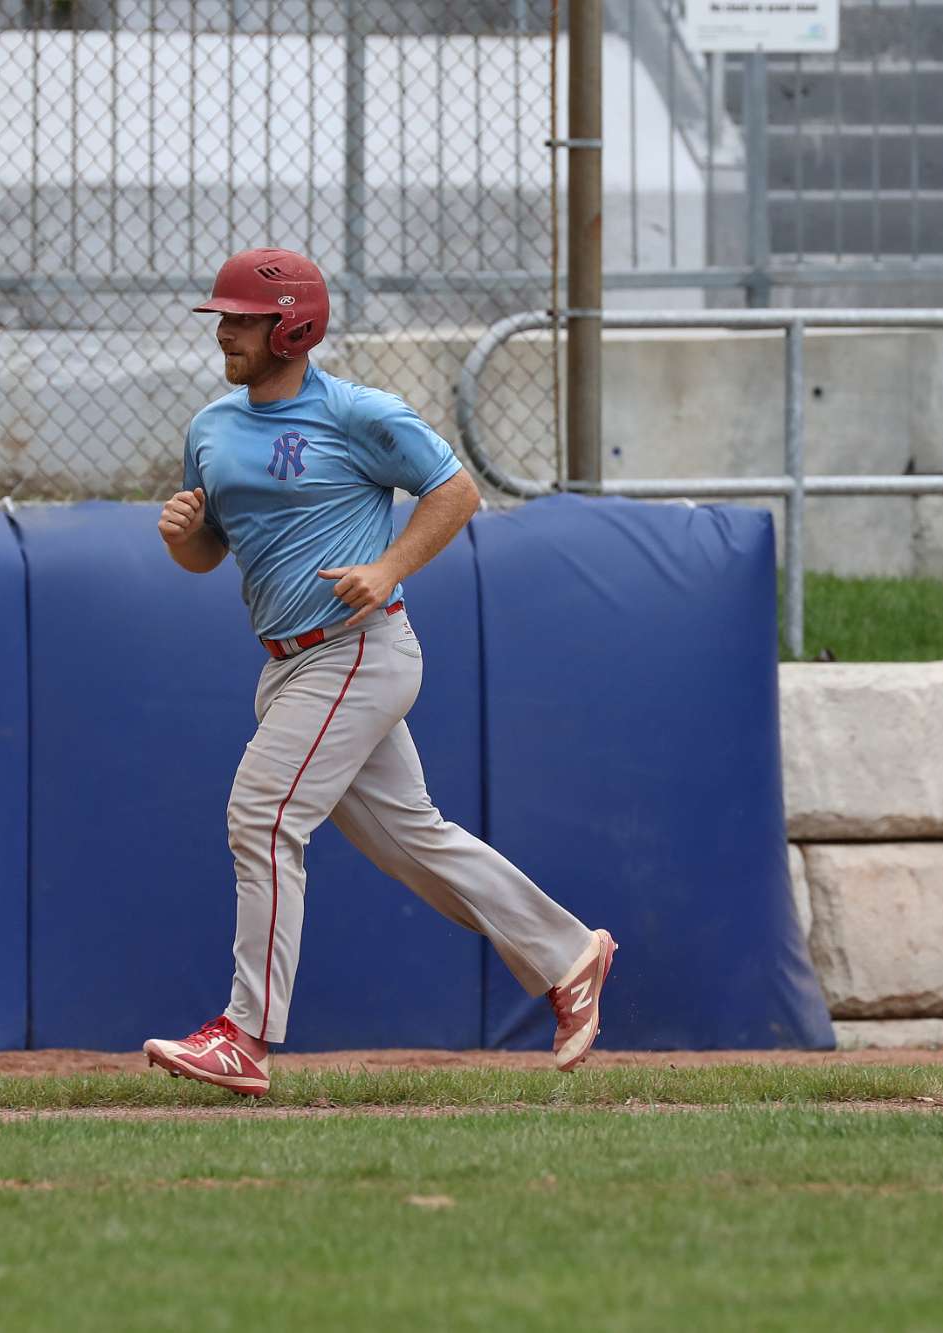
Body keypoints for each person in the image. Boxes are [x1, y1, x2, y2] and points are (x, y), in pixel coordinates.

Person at [143, 248, 616, 1096]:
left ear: (294, 326)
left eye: (243, 318)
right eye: (223, 316)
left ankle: (244, 1035)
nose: (225, 331)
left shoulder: (357, 412)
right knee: (416, 842)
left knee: (262, 816)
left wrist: (389, 566)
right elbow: (209, 550)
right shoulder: (210, 427)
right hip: (289, 667)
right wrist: (186, 537)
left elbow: (455, 491)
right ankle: (569, 954)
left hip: (356, 647)